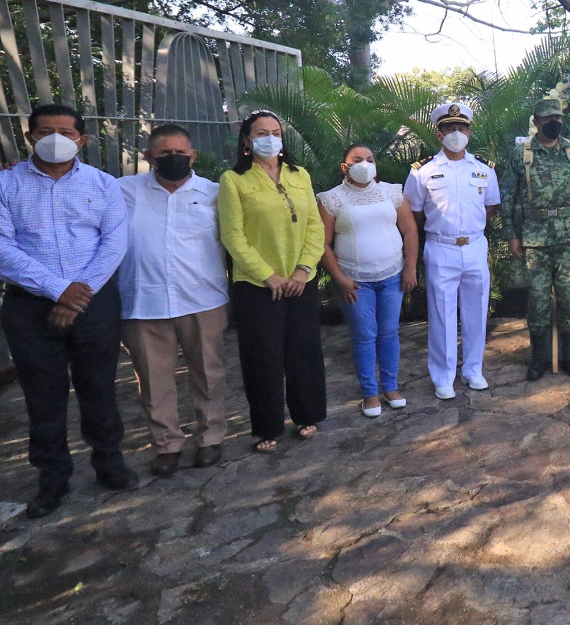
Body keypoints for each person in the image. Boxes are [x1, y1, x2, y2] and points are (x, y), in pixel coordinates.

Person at [0, 103, 136, 519]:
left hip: (93, 301)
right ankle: (52, 478)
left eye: (66, 131)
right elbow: (3, 247)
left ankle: (109, 462)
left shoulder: (103, 184)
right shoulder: (6, 185)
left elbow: (114, 242)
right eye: (45, 131)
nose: (56, 138)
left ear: (83, 139)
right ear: (29, 137)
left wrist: (81, 294)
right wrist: (60, 290)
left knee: (98, 386)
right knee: (43, 395)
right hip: (29, 305)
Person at [118, 124, 230, 477]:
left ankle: (211, 437)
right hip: (143, 303)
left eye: (180, 152)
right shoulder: (121, 191)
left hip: (202, 299)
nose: (173, 158)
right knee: (153, 380)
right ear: (149, 157)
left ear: (192, 155)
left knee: (208, 373)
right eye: (164, 153)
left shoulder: (214, 193)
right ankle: (167, 445)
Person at [218, 110, 326, 453]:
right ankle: (266, 427)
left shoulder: (300, 175)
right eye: (261, 132)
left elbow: (315, 227)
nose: (270, 137)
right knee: (262, 356)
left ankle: (307, 414)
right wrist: (268, 275)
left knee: (303, 350)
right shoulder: (233, 180)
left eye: (276, 131)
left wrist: (302, 270)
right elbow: (232, 236)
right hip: (256, 286)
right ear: (248, 140)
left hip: (299, 281)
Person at [500, 97, 570, 381]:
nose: (554, 122)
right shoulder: (521, 154)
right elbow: (507, 197)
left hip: (569, 236)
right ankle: (539, 356)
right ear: (536, 122)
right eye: (547, 119)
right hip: (534, 237)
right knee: (538, 300)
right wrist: (511, 235)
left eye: (557, 117)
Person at [404, 102, 499, 400]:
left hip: (474, 246)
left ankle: (473, 370)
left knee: (476, 311)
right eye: (449, 128)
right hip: (441, 247)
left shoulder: (484, 170)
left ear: (469, 132)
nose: (456, 133)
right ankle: (443, 376)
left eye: (461, 128)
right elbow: (413, 213)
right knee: (442, 314)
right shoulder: (423, 172)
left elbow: (491, 208)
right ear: (438, 133)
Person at [318, 144, 418, 415]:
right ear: (345, 167)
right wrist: (339, 279)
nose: (364, 164)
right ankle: (370, 393)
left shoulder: (392, 192)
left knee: (388, 333)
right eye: (357, 160)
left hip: (392, 275)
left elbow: (409, 230)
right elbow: (323, 244)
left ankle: (390, 387)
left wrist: (410, 268)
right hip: (354, 281)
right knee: (364, 336)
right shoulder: (331, 199)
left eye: (370, 159)